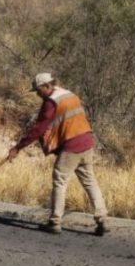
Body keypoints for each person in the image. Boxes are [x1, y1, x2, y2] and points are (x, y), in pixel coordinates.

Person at [7, 72, 109, 236]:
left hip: (72, 145)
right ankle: (102, 218)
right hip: (87, 142)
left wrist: (18, 147)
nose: (37, 94)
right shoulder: (70, 95)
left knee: (60, 180)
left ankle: (55, 222)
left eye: (38, 90)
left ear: (47, 86)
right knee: (90, 181)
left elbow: (38, 129)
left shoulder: (51, 102)